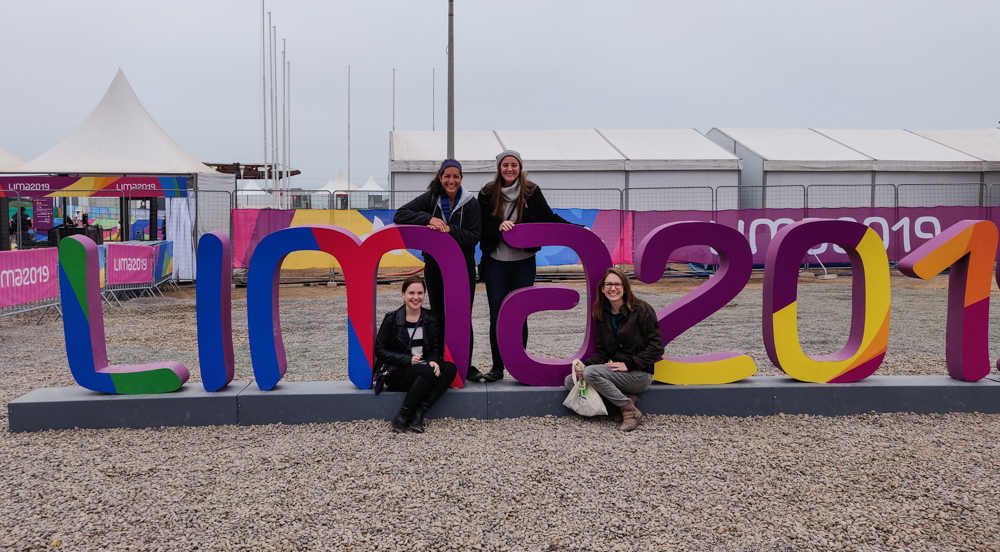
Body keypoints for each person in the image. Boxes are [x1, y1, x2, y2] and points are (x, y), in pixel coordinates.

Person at [477, 149, 572, 382]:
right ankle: (497, 368)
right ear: (499, 168)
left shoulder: (531, 191)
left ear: (520, 167)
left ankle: (521, 368)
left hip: (523, 263)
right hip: (496, 264)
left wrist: (577, 230)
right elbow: (479, 226)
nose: (509, 169)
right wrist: (498, 226)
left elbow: (548, 218)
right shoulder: (487, 193)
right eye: (505, 165)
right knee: (497, 315)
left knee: (521, 313)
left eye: (514, 165)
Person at [393, 159, 483, 380]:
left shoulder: (470, 202)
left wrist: (449, 229)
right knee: (438, 315)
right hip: (435, 266)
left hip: (462, 267)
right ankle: (440, 361)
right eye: (447, 176)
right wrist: (429, 218)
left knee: (462, 316)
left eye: (456, 176)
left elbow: (474, 238)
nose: (451, 180)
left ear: (461, 179)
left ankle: (465, 364)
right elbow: (400, 215)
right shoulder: (431, 198)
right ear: (440, 178)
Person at [564, 267, 664, 431]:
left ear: (625, 288)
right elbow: (603, 351)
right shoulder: (601, 313)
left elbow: (657, 347)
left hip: (639, 374)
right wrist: (585, 367)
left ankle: (629, 411)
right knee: (572, 380)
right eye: (609, 284)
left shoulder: (642, 310)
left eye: (618, 284)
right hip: (618, 374)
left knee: (591, 375)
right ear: (602, 289)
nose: (613, 288)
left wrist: (630, 364)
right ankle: (628, 398)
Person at [374, 275, 458, 433]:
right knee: (428, 371)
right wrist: (407, 359)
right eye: (411, 293)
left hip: (423, 370)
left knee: (449, 369)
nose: (415, 297)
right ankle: (403, 415)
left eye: (420, 293)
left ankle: (418, 412)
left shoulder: (431, 318)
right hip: (397, 372)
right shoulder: (391, 319)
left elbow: (435, 347)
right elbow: (379, 349)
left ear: (424, 294)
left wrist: (434, 360)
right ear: (403, 294)